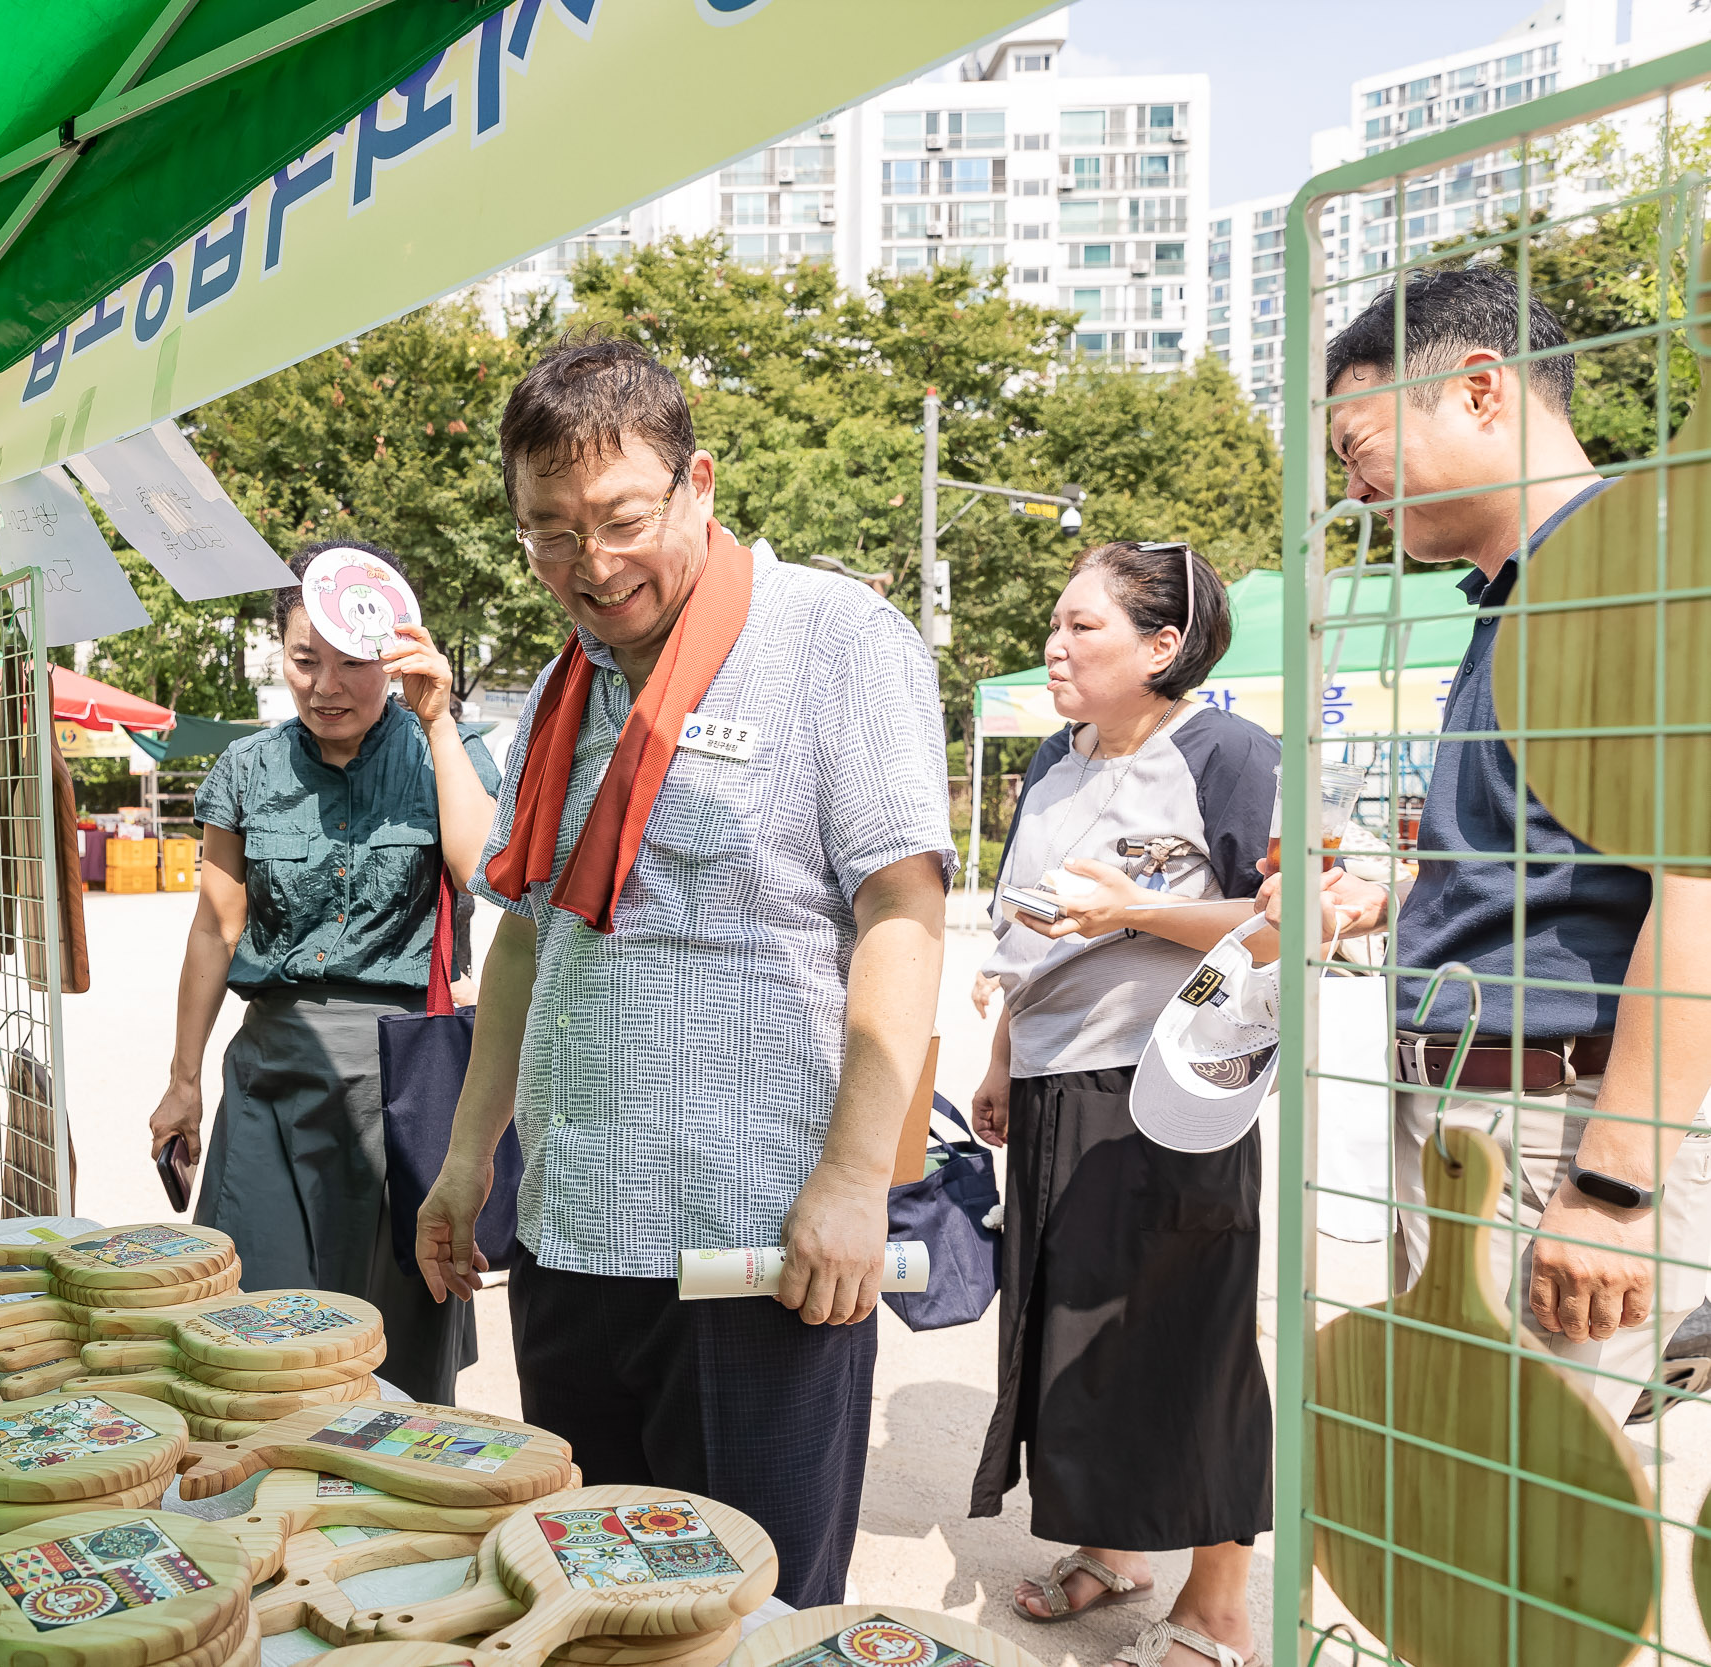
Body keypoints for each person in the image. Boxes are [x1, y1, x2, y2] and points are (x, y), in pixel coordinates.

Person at [411, 336, 954, 1608]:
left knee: (749, 1611)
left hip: (754, 1246)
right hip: (575, 1234)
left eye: (618, 520)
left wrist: (853, 1179)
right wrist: (465, 1156)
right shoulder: (563, 684)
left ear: (697, 483)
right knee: (597, 1598)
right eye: (548, 532)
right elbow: (533, 929)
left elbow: (904, 909)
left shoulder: (832, 638)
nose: (587, 567)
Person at [1259, 267, 1711, 1422]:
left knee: (1541, 1552)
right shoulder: (1517, 594)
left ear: (1474, 390)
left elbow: (1697, 887)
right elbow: (1573, 853)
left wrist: (1610, 1184)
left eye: (1357, 442)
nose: (1350, 484)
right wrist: (1406, 889)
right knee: (1472, 1530)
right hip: (1482, 1117)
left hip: (1563, 1120)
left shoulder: (1628, 586)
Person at [964, 541, 1274, 1667]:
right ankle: (1115, 1547)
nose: (1054, 641)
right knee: (1073, 1331)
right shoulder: (1053, 757)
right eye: (1055, 620)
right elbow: (1025, 926)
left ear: (1163, 645)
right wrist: (1005, 1051)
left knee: (1187, 1329)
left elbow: (1291, 921)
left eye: (1081, 624)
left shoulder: (1230, 753)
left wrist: (1140, 910)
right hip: (1053, 1078)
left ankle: (1218, 1605)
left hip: (1173, 1087)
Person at [148, 542, 498, 1404]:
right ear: (281, 654)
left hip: (406, 1085)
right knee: (259, 1340)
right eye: (306, 660)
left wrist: (439, 722)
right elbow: (215, 928)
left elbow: (482, 869)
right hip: (273, 1077)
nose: (327, 685)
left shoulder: (445, 754)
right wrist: (183, 1079)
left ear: (393, 653)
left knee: (401, 1352)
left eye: (352, 662)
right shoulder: (247, 769)